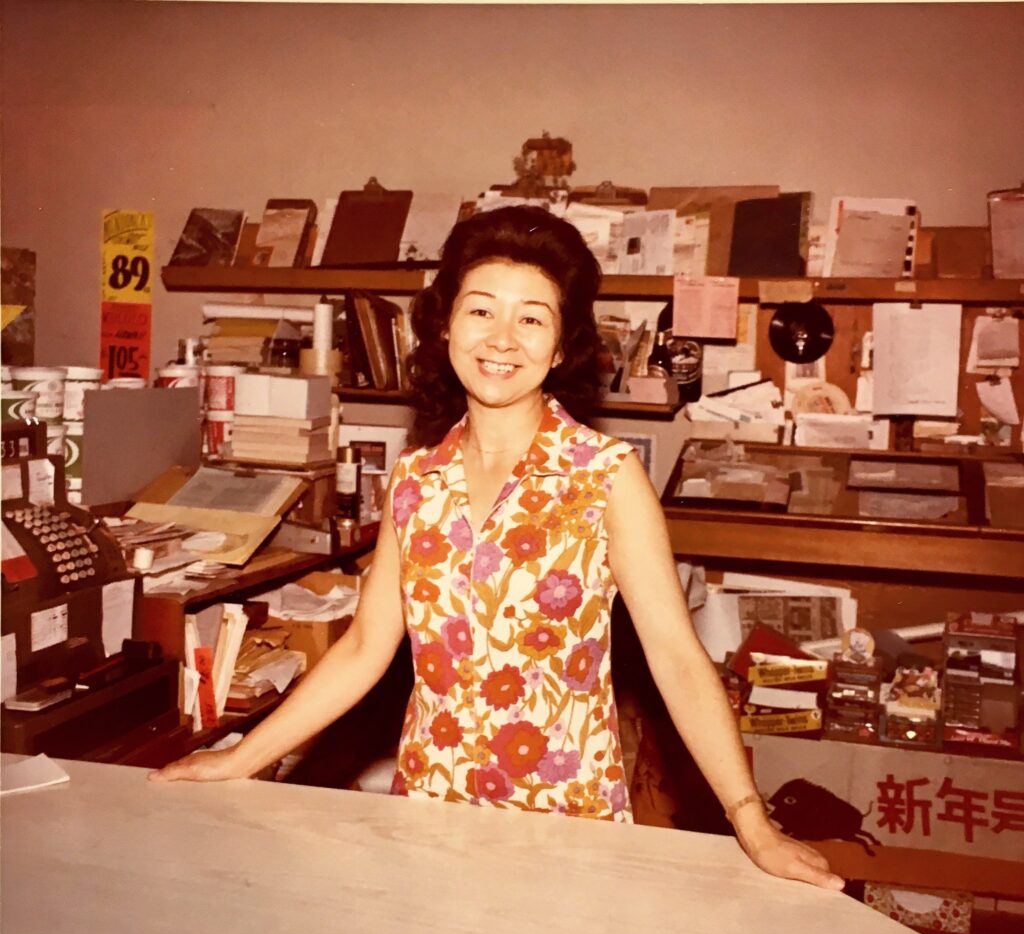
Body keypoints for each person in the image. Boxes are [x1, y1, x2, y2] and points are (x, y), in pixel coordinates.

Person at [151, 205, 845, 893]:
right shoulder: (415, 480)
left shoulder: (604, 476)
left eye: (532, 318)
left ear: (564, 344)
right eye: (482, 311)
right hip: (430, 816)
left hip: (565, 824)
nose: (502, 339)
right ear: (446, 323)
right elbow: (366, 647)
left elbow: (676, 656)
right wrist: (242, 757)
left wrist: (751, 819)